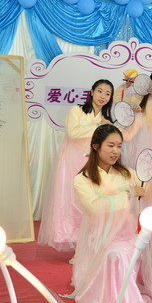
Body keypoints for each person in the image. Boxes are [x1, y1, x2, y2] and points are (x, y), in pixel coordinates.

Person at [70, 125, 152, 303]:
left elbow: (150, 193)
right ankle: (112, 300)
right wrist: (127, 195)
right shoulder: (82, 179)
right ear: (96, 146)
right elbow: (94, 207)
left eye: (119, 146)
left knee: (120, 253)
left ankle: (126, 301)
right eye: (110, 146)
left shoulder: (127, 173)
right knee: (114, 255)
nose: (115, 151)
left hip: (126, 234)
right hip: (100, 236)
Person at [38, 80, 114, 250]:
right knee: (70, 200)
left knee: (89, 201)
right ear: (92, 92)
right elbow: (73, 133)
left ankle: (87, 245)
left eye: (107, 93)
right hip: (71, 161)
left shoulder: (105, 119)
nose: (103, 96)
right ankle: (73, 241)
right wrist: (97, 126)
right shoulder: (77, 110)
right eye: (100, 91)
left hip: (91, 162)